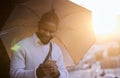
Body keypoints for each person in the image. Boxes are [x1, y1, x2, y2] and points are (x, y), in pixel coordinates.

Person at [10, 9, 68, 78]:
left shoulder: (56, 49)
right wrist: (36, 73)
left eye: (51, 31)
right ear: (39, 25)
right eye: (44, 29)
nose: (47, 34)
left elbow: (65, 73)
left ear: (56, 31)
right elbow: (13, 74)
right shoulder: (20, 46)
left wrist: (58, 73)